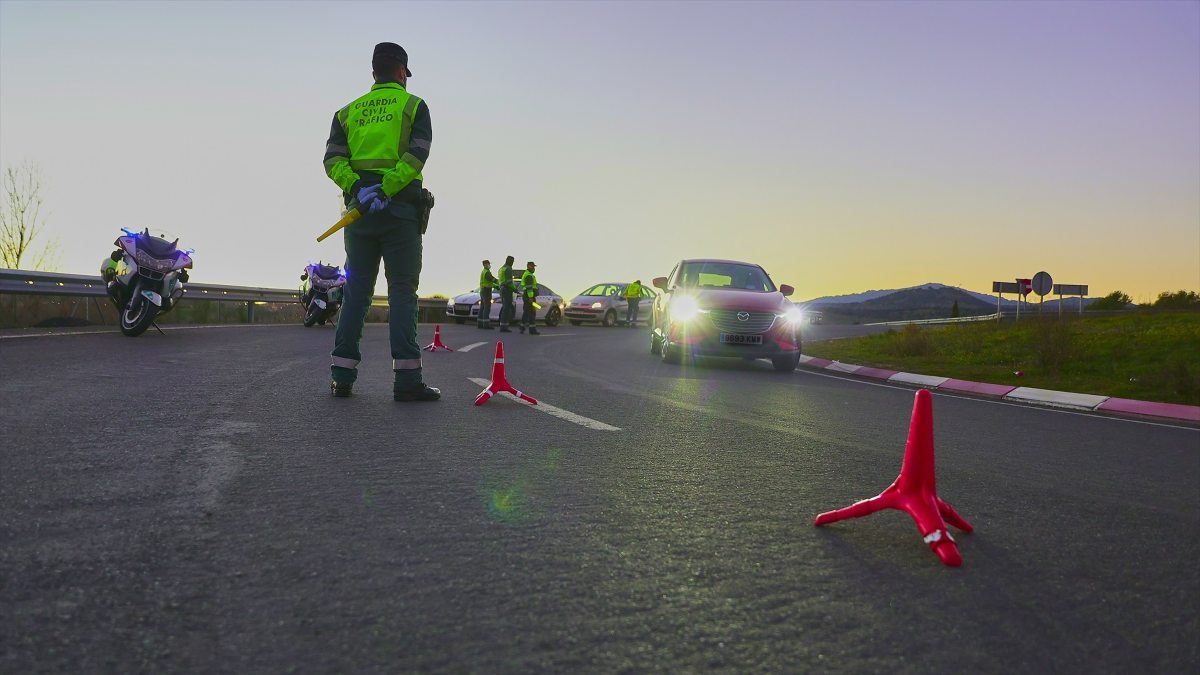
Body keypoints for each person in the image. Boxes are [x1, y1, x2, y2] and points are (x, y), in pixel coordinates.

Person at [321, 42, 439, 401]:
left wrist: (359, 187)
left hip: (359, 215)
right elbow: (417, 155)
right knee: (402, 291)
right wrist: (386, 187)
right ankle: (406, 382)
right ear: (401, 72)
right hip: (400, 213)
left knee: (356, 292)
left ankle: (342, 377)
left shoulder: (347, 112)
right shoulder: (413, 105)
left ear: (374, 73)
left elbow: (331, 161)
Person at [519, 261, 540, 335]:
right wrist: (531, 297)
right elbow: (529, 287)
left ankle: (522, 327)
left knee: (526, 312)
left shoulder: (528, 274)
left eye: (534, 267)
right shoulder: (528, 275)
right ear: (528, 266)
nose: (534, 268)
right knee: (532, 312)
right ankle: (532, 330)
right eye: (532, 266)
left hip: (527, 295)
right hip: (529, 296)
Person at [497, 255, 516, 333]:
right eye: (512, 262)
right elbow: (509, 282)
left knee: (505, 307)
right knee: (507, 308)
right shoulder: (508, 269)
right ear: (510, 261)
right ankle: (504, 326)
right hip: (507, 290)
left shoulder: (501, 269)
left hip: (502, 289)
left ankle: (502, 325)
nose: (512, 263)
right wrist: (515, 289)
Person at [478, 259, 497, 329]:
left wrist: (496, 286)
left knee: (482, 307)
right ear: (485, 265)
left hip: (483, 290)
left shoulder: (484, 272)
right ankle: (486, 324)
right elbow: (492, 279)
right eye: (488, 264)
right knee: (487, 307)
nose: (489, 265)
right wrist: (499, 283)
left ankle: (480, 323)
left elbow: (489, 282)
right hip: (486, 291)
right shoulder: (487, 272)